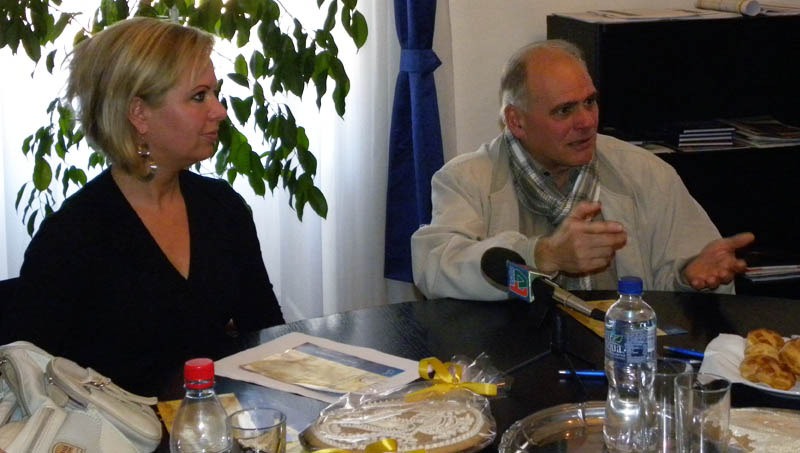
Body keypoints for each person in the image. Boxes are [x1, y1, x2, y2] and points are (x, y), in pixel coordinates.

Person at [1, 17, 284, 397]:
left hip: (212, 420)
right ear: (139, 114)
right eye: (199, 96)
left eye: (215, 94)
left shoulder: (223, 208)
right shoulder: (73, 235)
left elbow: (265, 335)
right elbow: (31, 383)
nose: (219, 111)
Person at [411, 39, 755, 300]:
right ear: (516, 121)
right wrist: (542, 255)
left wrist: (689, 277)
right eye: (564, 111)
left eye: (590, 102)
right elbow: (434, 269)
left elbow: (676, 285)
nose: (587, 122)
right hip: (509, 355)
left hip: (621, 355)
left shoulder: (647, 173)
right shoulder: (467, 180)